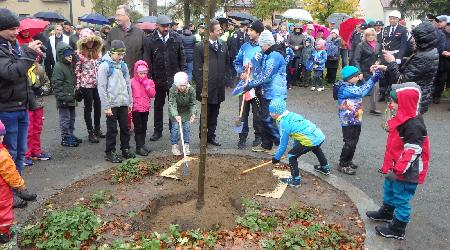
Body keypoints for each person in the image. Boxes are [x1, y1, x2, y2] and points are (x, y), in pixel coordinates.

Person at [366, 82, 429, 240]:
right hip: (396, 166)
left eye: (394, 102)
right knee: (390, 189)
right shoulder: (402, 117)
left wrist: (399, 169)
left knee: (401, 197)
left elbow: (412, 151)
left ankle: (398, 228)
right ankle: (387, 212)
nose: (390, 104)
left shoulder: (413, 125)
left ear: (405, 104)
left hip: (407, 170)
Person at [0, 8, 40, 208]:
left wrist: (28, 50)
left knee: (20, 151)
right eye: (12, 28)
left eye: (17, 27)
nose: (17, 32)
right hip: (6, 109)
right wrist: (28, 53)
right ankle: (8, 194)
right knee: (9, 152)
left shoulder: (13, 44)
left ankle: (18, 188)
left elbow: (23, 74)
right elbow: (11, 73)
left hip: (21, 106)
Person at [233, 30, 288, 153]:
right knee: (264, 118)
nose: (261, 48)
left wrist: (250, 84)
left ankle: (278, 145)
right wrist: (250, 66)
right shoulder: (268, 54)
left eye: (262, 45)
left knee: (269, 119)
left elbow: (266, 76)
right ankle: (266, 144)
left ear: (266, 44)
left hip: (275, 92)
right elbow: (260, 70)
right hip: (266, 91)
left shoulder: (274, 56)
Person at [372, 22, 439, 114]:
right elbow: (407, 72)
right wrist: (385, 67)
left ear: (423, 39)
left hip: (412, 101)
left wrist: (392, 62)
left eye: (415, 39)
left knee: (409, 127)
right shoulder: (426, 51)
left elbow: (402, 81)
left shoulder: (424, 57)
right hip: (415, 98)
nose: (412, 41)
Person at [144, 15, 187, 142]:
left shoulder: (176, 38)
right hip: (157, 79)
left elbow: (182, 58)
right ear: (157, 26)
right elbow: (147, 60)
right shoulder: (149, 40)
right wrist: (149, 78)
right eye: (163, 26)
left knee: (173, 105)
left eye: (168, 25)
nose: (166, 28)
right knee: (158, 106)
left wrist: (183, 76)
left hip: (173, 79)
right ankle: (158, 131)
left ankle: (173, 130)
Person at [269, 99, 329, 187]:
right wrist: (295, 148)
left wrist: (276, 157)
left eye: (271, 111)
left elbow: (283, 144)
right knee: (316, 148)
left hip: (311, 139)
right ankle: (325, 168)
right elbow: (298, 134)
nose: (270, 113)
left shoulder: (284, 123)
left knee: (291, 156)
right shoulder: (291, 115)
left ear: (275, 113)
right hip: (318, 135)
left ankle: (295, 180)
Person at [335, 66, 381, 175]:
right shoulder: (345, 88)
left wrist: (374, 74)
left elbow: (364, 87)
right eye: (356, 76)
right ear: (349, 78)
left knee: (354, 141)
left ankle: (348, 160)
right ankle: (343, 164)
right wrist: (374, 78)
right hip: (348, 120)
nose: (358, 77)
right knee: (349, 142)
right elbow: (362, 91)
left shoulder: (352, 85)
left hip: (356, 118)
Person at [193, 19, 231, 146]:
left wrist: (226, 79)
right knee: (206, 113)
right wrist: (202, 86)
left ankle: (211, 136)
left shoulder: (223, 45)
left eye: (221, 29)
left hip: (218, 86)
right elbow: (197, 69)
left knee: (215, 112)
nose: (221, 31)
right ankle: (202, 136)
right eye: (218, 30)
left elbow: (227, 63)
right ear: (210, 32)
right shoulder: (200, 47)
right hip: (206, 87)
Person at [98, 40, 134, 163]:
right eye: (118, 54)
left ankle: (125, 148)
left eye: (122, 55)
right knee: (112, 130)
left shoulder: (123, 66)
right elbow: (101, 87)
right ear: (112, 52)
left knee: (125, 128)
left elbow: (128, 84)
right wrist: (106, 106)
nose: (120, 57)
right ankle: (110, 152)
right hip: (111, 104)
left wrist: (130, 102)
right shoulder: (105, 66)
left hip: (123, 102)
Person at [233, 20, 264, 150]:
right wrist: (241, 72)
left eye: (251, 30)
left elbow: (267, 67)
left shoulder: (263, 47)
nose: (248, 32)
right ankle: (242, 136)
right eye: (248, 30)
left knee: (257, 113)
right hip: (244, 85)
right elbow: (237, 61)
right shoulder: (244, 46)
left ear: (258, 32)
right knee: (242, 112)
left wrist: (256, 75)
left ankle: (258, 136)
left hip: (257, 86)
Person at [0, 120, 28, 244]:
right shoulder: (2, 154)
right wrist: (20, 185)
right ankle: (4, 233)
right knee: (4, 210)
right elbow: (10, 173)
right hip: (2, 192)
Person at [75, 28, 104, 143]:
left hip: (98, 84)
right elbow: (77, 71)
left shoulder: (98, 53)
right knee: (88, 108)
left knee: (98, 107)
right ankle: (90, 132)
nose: (91, 42)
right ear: (83, 41)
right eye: (88, 40)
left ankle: (97, 129)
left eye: (92, 40)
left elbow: (101, 68)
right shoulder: (79, 54)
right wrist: (78, 87)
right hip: (86, 85)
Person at [24, 56, 52, 166]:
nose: (35, 59)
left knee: (37, 128)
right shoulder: (22, 69)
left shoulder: (39, 69)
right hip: (26, 104)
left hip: (38, 103)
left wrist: (41, 90)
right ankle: (25, 154)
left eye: (36, 57)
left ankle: (36, 151)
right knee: (28, 129)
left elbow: (47, 83)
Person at [52, 42, 80, 147]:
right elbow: (56, 84)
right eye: (67, 55)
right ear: (61, 55)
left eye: (71, 54)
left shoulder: (70, 65)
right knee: (65, 119)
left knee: (72, 118)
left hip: (71, 97)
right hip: (64, 98)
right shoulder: (58, 67)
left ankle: (70, 134)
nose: (70, 57)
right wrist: (61, 97)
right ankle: (65, 137)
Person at [104, 5, 145, 76]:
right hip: (116, 76)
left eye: (119, 15)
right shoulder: (112, 33)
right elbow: (107, 53)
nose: (116, 18)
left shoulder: (140, 33)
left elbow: (144, 55)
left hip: (134, 76)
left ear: (127, 15)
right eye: (116, 15)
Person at [354, 28, 382, 115]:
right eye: (368, 35)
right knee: (359, 91)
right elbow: (356, 60)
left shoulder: (378, 45)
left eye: (372, 35)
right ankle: (354, 108)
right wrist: (359, 72)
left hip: (373, 71)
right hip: (363, 71)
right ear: (365, 36)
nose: (371, 37)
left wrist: (378, 61)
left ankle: (373, 109)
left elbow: (379, 56)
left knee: (375, 88)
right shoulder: (361, 45)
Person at [131, 60, 155, 156]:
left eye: (144, 73)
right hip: (136, 109)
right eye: (140, 73)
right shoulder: (132, 82)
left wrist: (146, 85)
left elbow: (152, 94)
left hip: (145, 108)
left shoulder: (149, 81)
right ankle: (138, 147)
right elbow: (129, 95)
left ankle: (142, 144)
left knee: (144, 127)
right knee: (138, 128)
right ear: (136, 72)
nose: (142, 75)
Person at [169, 72, 196, 155]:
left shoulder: (191, 90)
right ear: (176, 84)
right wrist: (175, 114)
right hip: (175, 111)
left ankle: (186, 145)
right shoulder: (173, 90)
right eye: (180, 86)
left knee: (186, 128)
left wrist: (193, 113)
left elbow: (192, 103)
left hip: (186, 111)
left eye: (184, 85)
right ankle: (174, 145)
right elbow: (172, 104)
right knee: (175, 128)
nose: (183, 87)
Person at [433, 20, 450, 105]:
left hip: (448, 61)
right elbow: (435, 45)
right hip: (440, 61)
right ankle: (436, 96)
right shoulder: (440, 34)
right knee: (439, 79)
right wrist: (441, 51)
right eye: (448, 26)